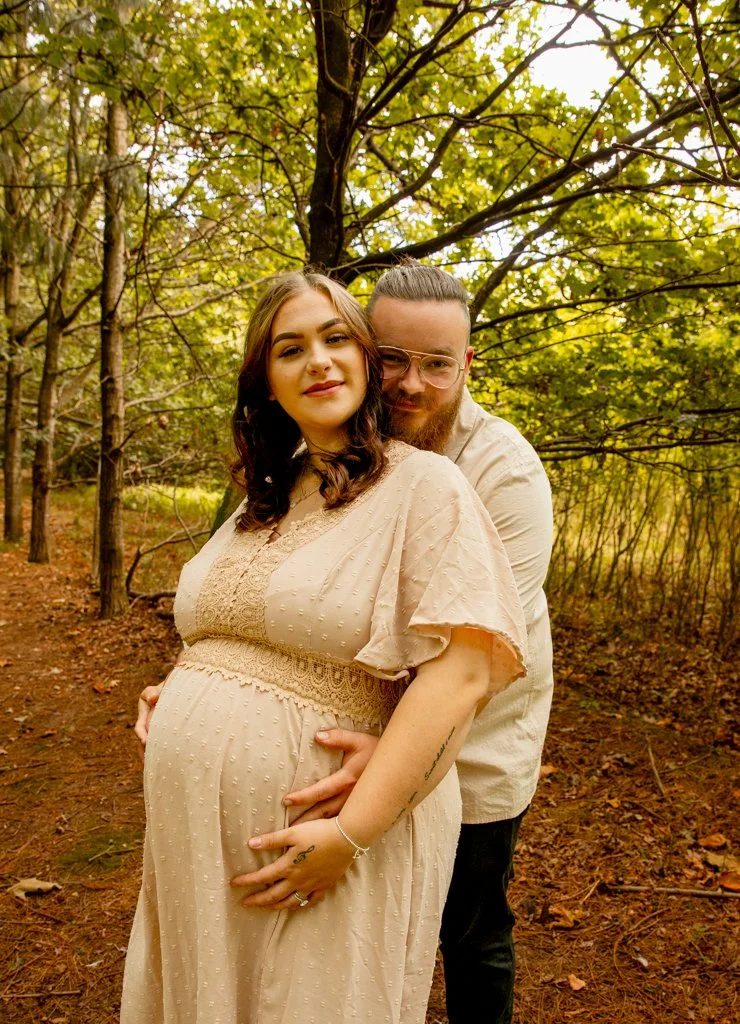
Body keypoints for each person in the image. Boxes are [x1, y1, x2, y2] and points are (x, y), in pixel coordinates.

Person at [125, 269, 528, 1024]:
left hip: (323, 838)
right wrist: (184, 685)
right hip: (197, 848)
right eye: (290, 348)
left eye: (337, 337)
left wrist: (350, 832)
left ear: (367, 359)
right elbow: (236, 628)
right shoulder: (265, 497)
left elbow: (465, 672)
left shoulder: (426, 487)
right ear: (265, 383)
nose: (318, 361)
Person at [283, 262, 554, 1024]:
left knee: (469, 934)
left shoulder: (505, 473)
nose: (411, 382)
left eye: (436, 364)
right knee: (366, 925)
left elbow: (474, 657)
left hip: (474, 754)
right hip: (353, 742)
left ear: (466, 364)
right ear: (367, 353)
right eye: (393, 358)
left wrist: (390, 744)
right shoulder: (336, 446)